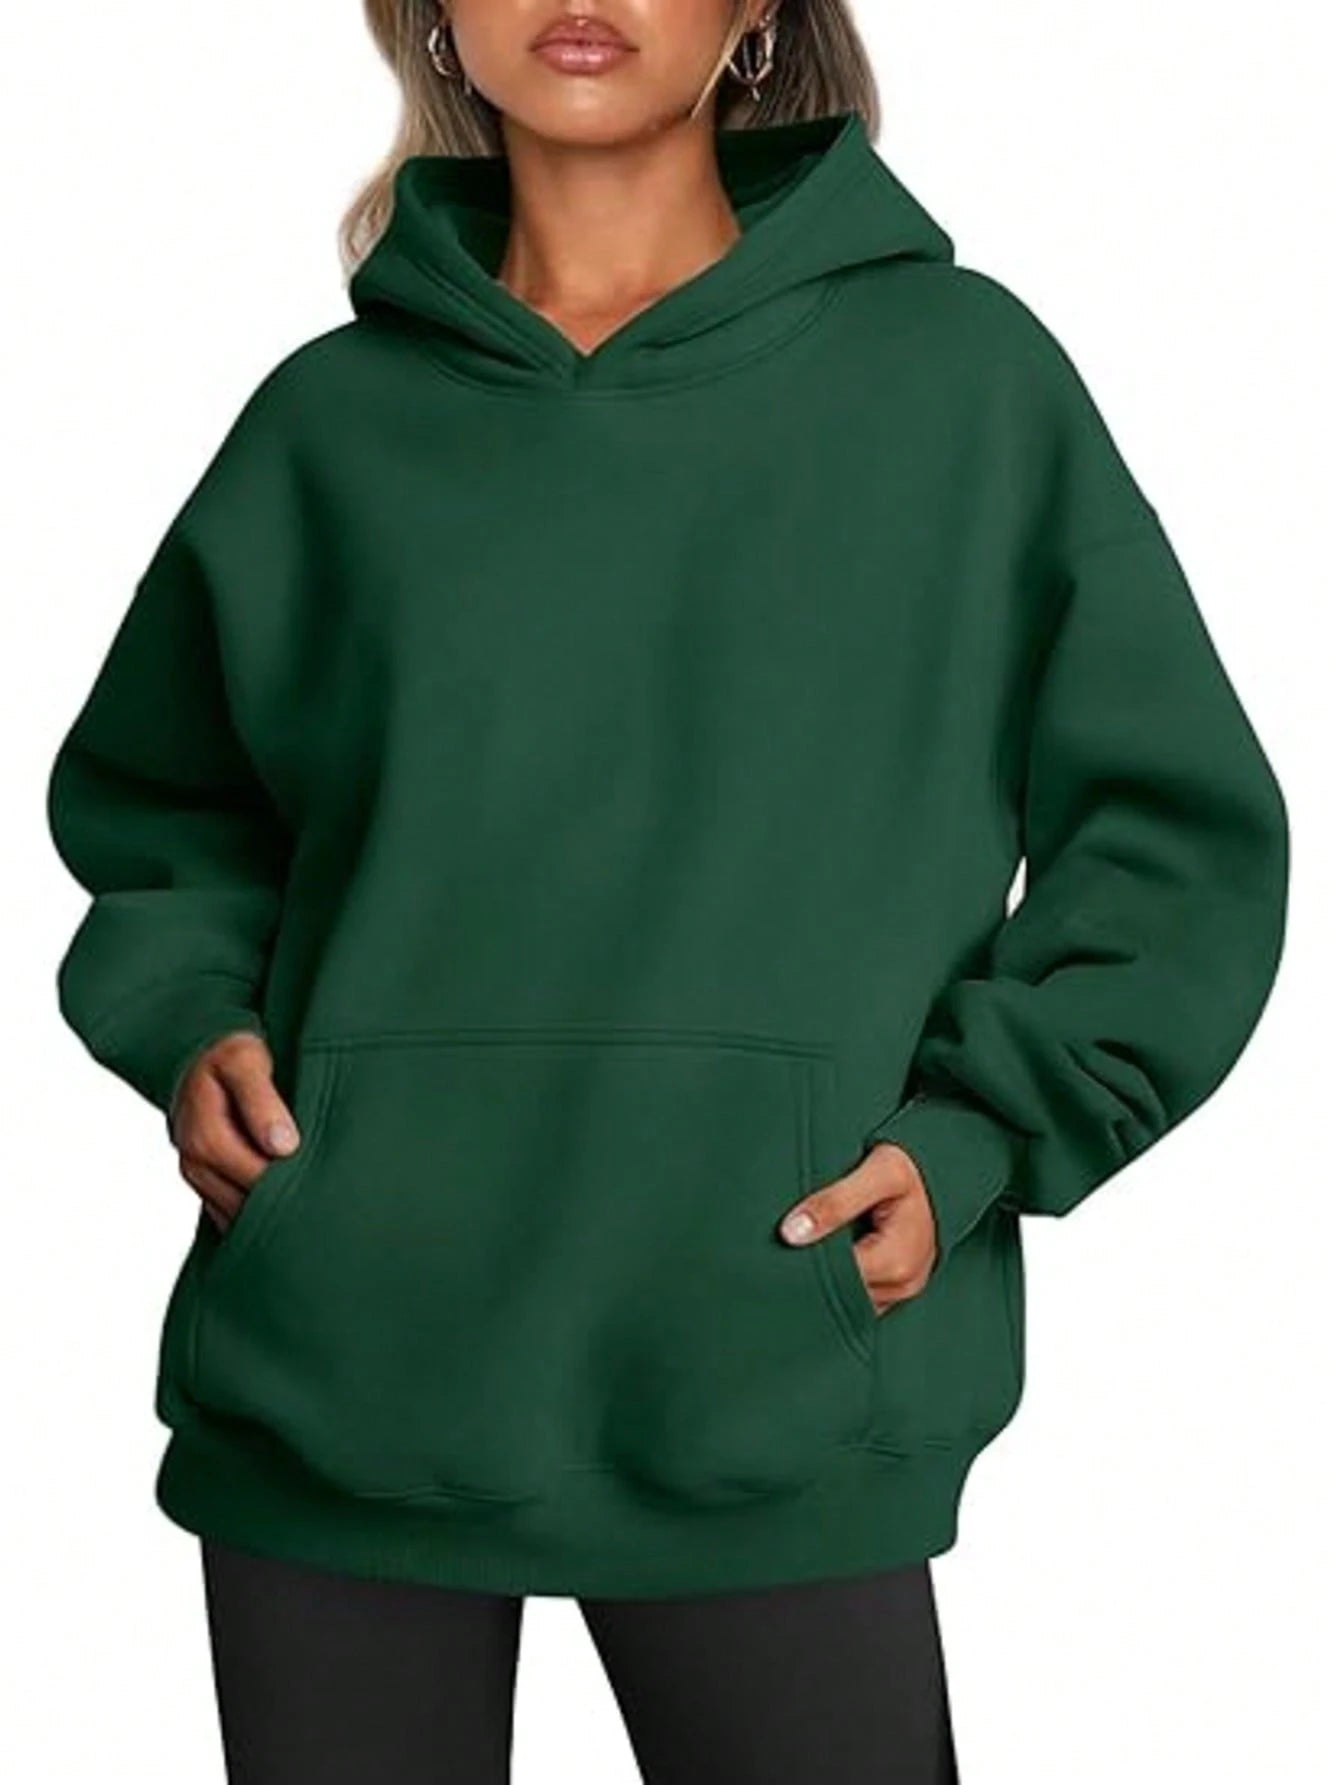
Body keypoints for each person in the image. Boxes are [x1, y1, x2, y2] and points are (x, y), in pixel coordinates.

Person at [44, 3, 1289, 1781]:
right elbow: (173, 809)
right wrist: (193, 1026)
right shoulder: (329, 424)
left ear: (759, 9)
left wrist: (980, 1135)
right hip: (342, 1365)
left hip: (777, 1354)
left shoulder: (962, 384)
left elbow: (1177, 842)